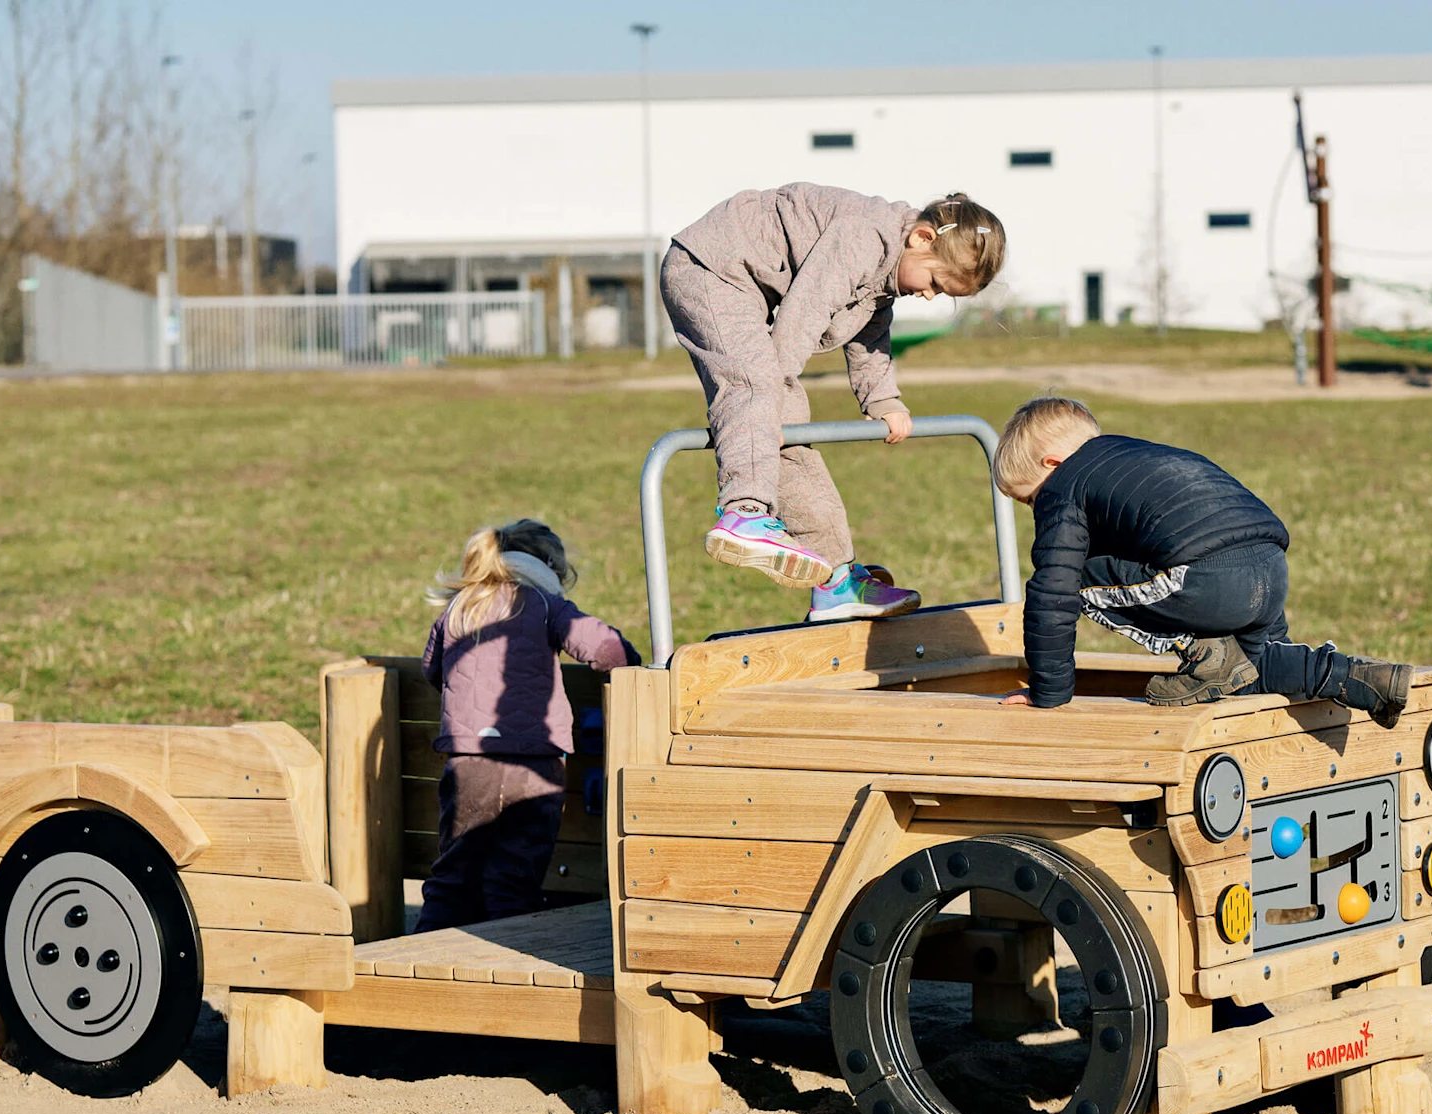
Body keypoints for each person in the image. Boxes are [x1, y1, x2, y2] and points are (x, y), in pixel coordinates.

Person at [662, 183, 1006, 622]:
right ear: (922, 238)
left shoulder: (888, 270)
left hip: (747, 288)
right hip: (709, 268)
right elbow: (806, 311)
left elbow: (870, 335)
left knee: (788, 430)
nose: (928, 296)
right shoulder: (864, 235)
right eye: (935, 283)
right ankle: (742, 513)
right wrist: (771, 396)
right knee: (755, 385)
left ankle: (835, 580)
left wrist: (884, 400)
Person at [990, 397, 1415, 724]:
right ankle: (1363, 679)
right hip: (1269, 562)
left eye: (1031, 499)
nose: (1037, 511)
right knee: (1254, 669)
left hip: (1208, 576)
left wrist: (1048, 693)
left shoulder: (1064, 485)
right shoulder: (1139, 455)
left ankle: (1202, 653)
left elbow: (1052, 595)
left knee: (1076, 582)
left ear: (1053, 464)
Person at [415, 519, 639, 931]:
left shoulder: (459, 607)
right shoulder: (545, 604)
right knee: (515, 875)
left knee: (454, 873)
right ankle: (511, 956)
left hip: (470, 762)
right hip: (534, 765)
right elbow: (606, 650)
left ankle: (425, 949)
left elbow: (432, 669)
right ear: (550, 568)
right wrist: (633, 660)